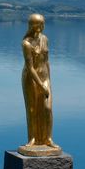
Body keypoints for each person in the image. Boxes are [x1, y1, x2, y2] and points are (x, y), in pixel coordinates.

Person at [19, 13, 59, 153]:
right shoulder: (26, 43)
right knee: (32, 109)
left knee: (47, 108)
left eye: (42, 23)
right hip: (31, 79)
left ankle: (48, 139)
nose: (40, 26)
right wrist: (41, 85)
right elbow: (30, 67)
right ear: (31, 25)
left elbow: (47, 61)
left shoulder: (45, 39)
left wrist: (48, 81)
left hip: (45, 77)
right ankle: (32, 138)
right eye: (37, 24)